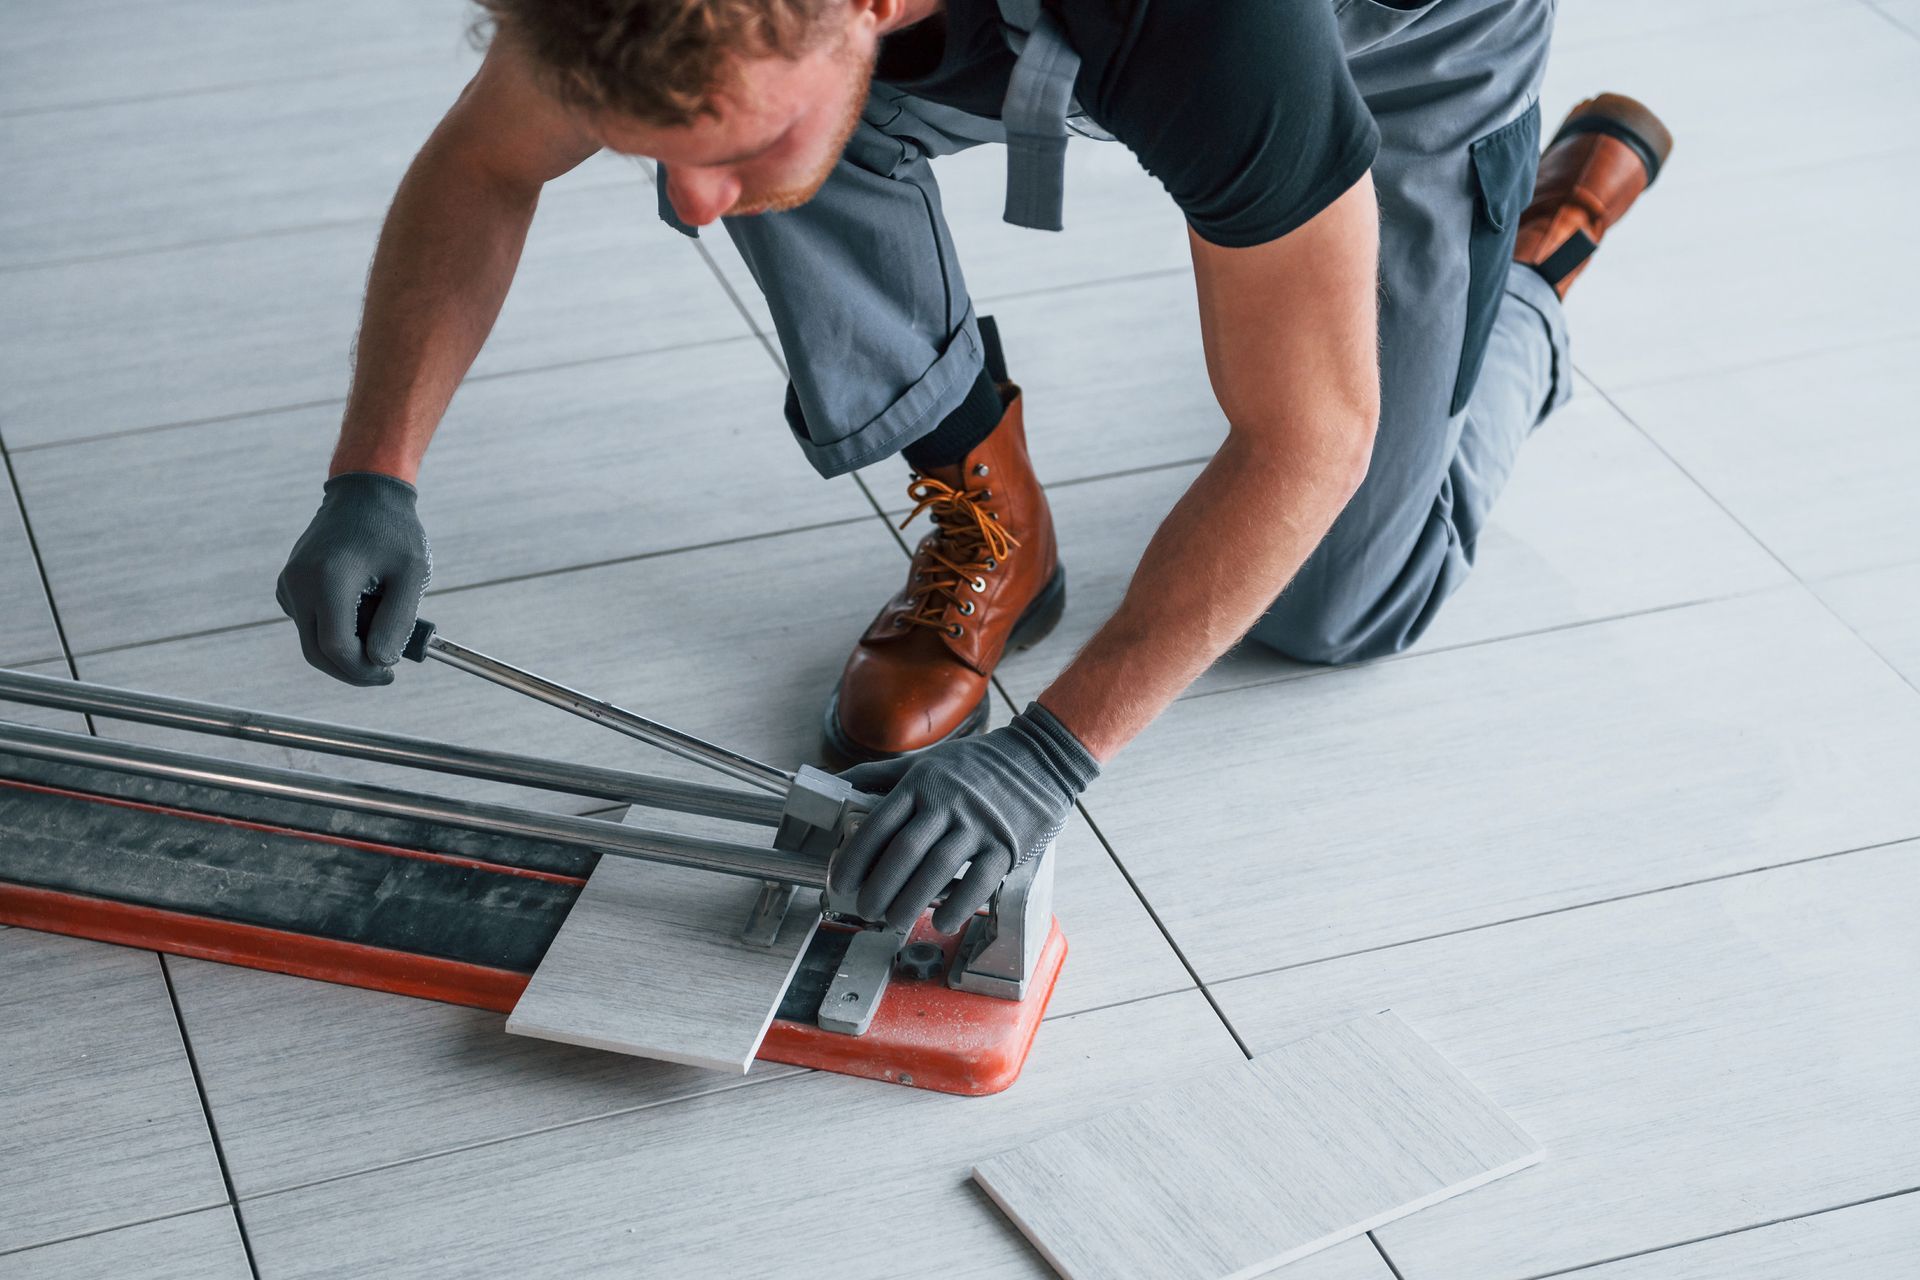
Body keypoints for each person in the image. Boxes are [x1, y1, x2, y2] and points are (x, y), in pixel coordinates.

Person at [277, 0, 1671, 938]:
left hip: (1403, 34)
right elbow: (485, 162)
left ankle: (1529, 284)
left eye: (726, 142)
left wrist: (1051, 758)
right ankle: (996, 518)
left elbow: (1309, 433)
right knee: (802, 158)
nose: (688, 204)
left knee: (1336, 607)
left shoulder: (1214, 27)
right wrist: (373, 474)